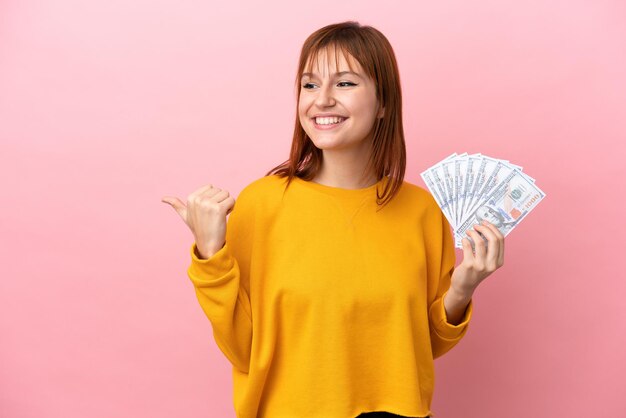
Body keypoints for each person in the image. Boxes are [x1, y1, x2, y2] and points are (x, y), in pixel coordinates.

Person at [161, 21, 505, 418]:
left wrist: (462, 290)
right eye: (309, 85)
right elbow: (241, 348)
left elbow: (420, 348)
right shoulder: (260, 204)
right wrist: (211, 253)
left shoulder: (422, 212)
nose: (321, 100)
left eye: (344, 84)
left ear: (384, 104)